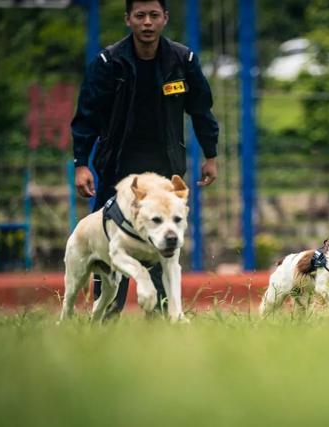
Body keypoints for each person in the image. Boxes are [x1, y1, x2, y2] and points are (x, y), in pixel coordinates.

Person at [71, 0, 219, 317]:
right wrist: (82, 163)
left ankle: (163, 323)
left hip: (165, 172)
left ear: (165, 18)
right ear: (128, 20)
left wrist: (211, 155)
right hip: (115, 171)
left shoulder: (183, 60)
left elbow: (201, 111)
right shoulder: (108, 62)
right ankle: (105, 320)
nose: (147, 22)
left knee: (162, 246)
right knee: (111, 248)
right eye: (140, 16)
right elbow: (86, 116)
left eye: (154, 15)